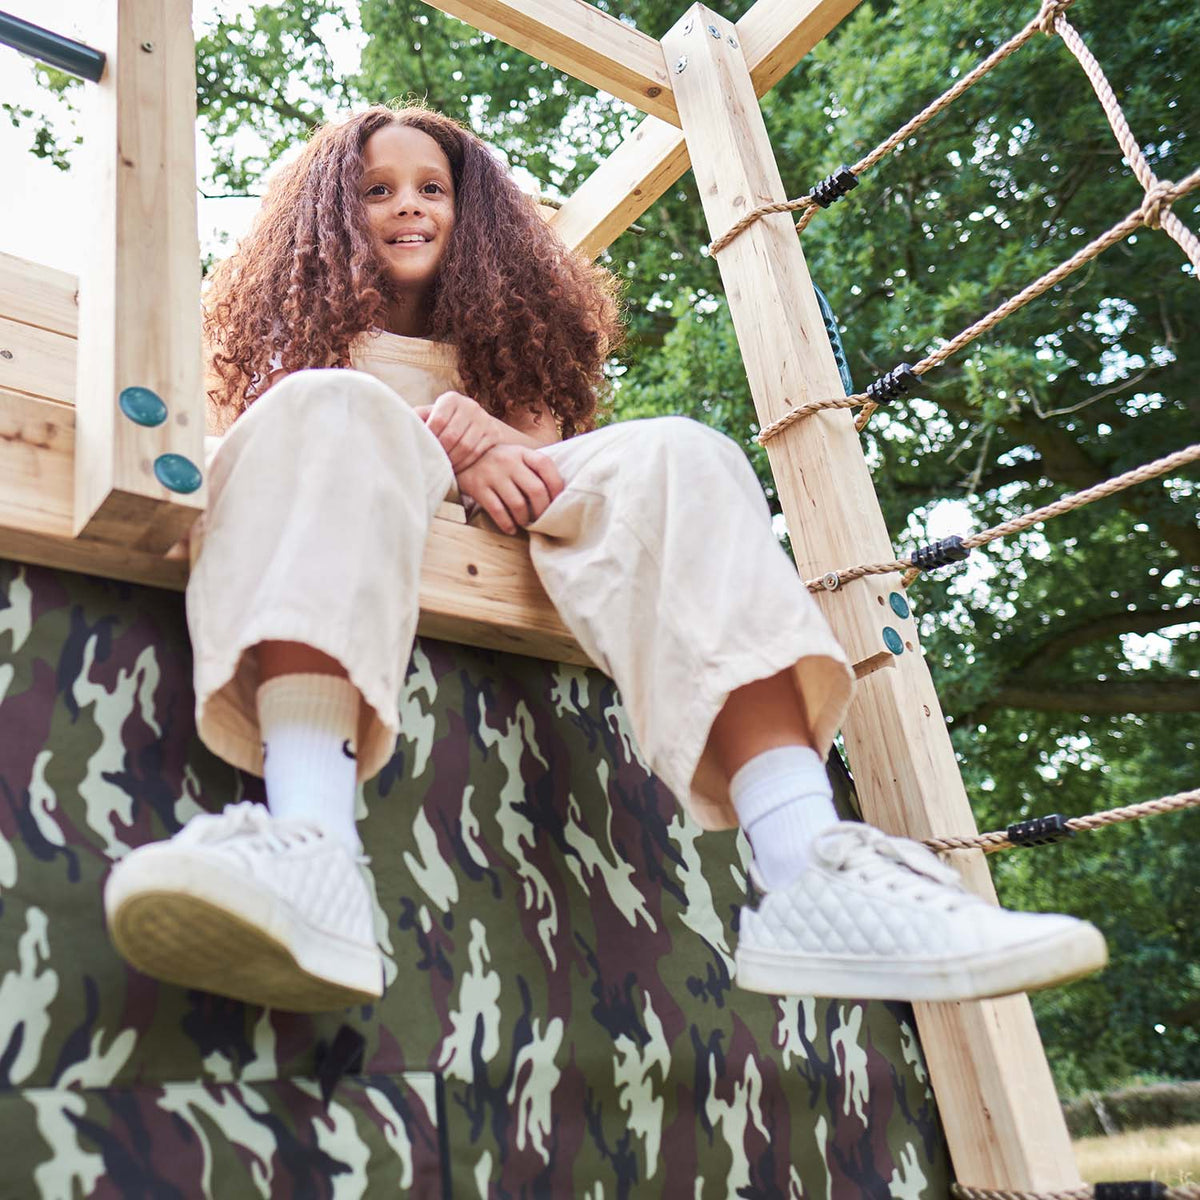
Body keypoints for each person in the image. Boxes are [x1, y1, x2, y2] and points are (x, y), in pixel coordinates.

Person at [103, 104, 1106, 1012]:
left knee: (686, 453)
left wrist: (493, 438)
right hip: (352, 484)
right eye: (376, 189)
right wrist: (447, 439)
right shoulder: (279, 352)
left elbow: (545, 473)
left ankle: (809, 866)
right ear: (328, 216)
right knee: (331, 408)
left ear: (472, 215)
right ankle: (310, 843)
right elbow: (264, 462)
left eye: (431, 188)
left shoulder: (501, 349)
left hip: (511, 510)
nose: (407, 206)